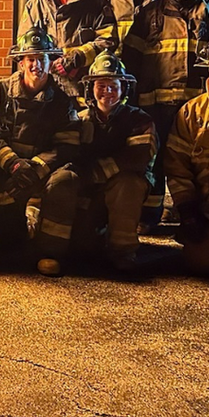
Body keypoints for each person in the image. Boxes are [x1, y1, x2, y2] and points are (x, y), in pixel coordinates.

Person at [123, 0, 209, 233]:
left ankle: (192, 215)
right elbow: (131, 59)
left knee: (192, 162)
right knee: (153, 161)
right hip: (155, 104)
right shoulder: (149, 13)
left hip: (196, 108)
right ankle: (148, 217)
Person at [0, 27, 81, 276]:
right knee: (11, 244)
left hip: (42, 173)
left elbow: (66, 146)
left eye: (42, 59)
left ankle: (49, 248)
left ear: (51, 62)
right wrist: (14, 165)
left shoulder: (62, 100)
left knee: (65, 181)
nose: (37, 66)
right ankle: (7, 221)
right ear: (21, 62)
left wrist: (35, 169)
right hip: (8, 173)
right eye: (31, 60)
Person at [75, 53, 157, 271]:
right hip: (91, 188)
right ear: (91, 88)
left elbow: (138, 158)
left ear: (124, 89)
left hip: (123, 188)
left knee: (127, 184)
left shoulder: (139, 120)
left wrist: (98, 172)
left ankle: (123, 251)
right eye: (101, 85)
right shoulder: (80, 120)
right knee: (83, 248)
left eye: (113, 86)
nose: (107, 92)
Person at [164, 40, 209, 275]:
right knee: (200, 263)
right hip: (205, 210)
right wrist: (188, 210)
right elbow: (177, 167)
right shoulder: (191, 113)